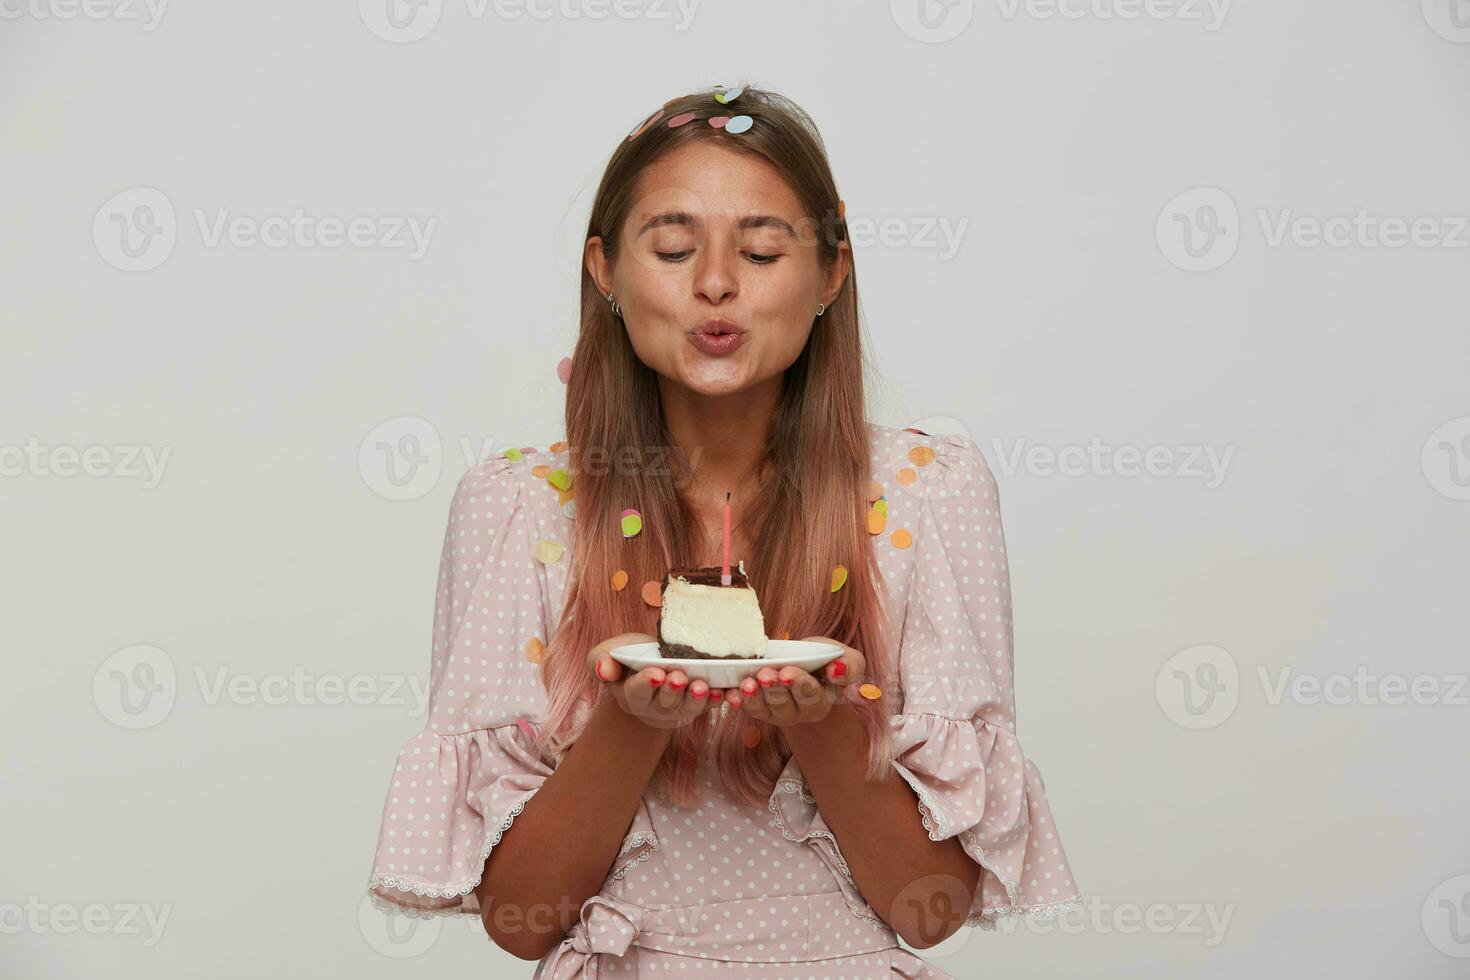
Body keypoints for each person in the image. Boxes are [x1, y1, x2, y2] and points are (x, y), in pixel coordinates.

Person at [364, 83, 1079, 978]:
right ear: (605, 272)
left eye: (763, 249)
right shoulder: (519, 505)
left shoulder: (928, 495)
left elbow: (927, 909)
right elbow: (519, 921)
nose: (715, 282)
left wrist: (824, 722)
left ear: (830, 274)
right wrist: (629, 718)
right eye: (671, 246)